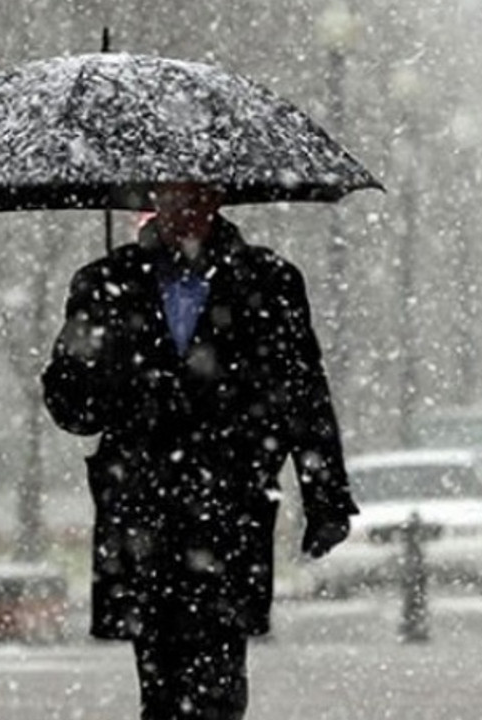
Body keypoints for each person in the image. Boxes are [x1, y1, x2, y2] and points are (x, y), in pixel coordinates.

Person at [42, 183, 358, 720]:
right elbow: (74, 410)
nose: (184, 207)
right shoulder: (104, 284)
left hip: (230, 505)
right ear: (151, 197)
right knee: (161, 686)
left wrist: (325, 494)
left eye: (197, 193)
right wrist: (107, 367)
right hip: (142, 508)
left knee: (218, 682)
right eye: (171, 193)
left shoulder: (269, 281)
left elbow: (303, 394)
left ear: (218, 197)